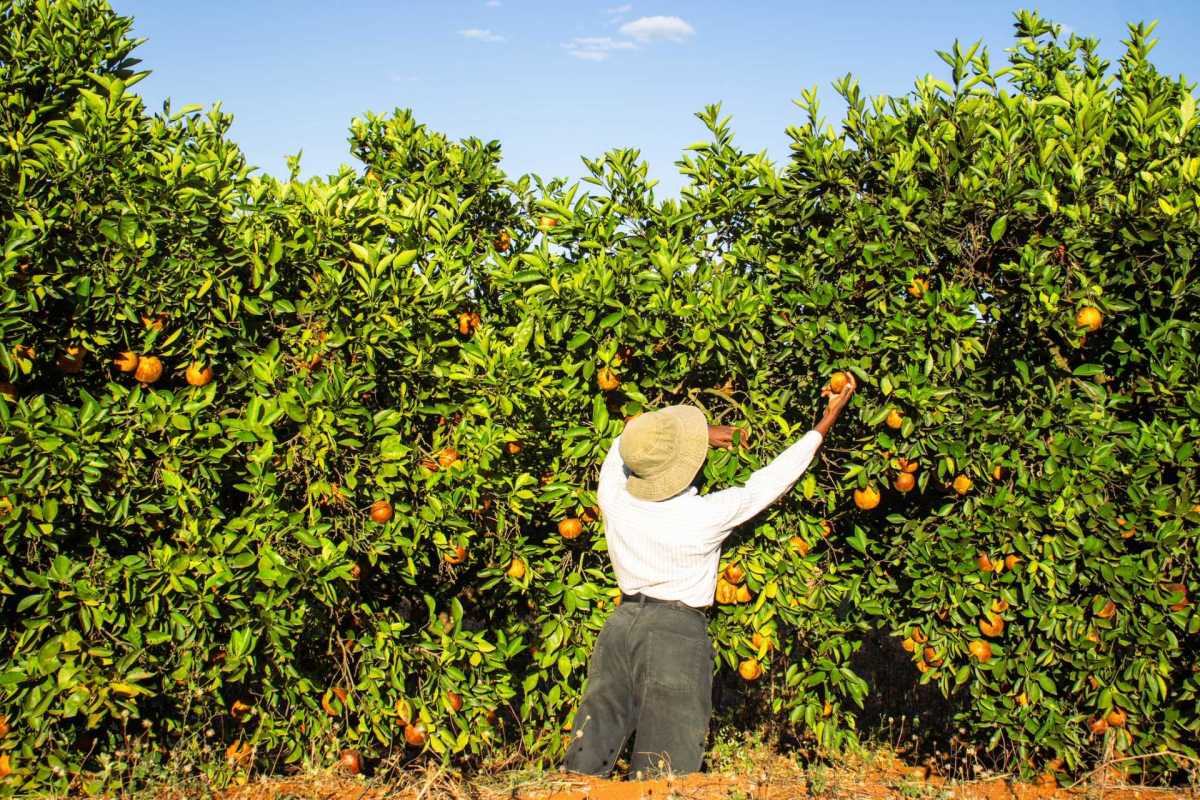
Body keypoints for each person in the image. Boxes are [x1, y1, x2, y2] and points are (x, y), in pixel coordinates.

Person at [562, 373, 858, 778]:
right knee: (665, 767)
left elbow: (626, 443)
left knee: (589, 748)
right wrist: (826, 420)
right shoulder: (703, 516)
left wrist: (694, 436)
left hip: (619, 628)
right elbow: (771, 481)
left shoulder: (613, 496)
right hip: (675, 634)